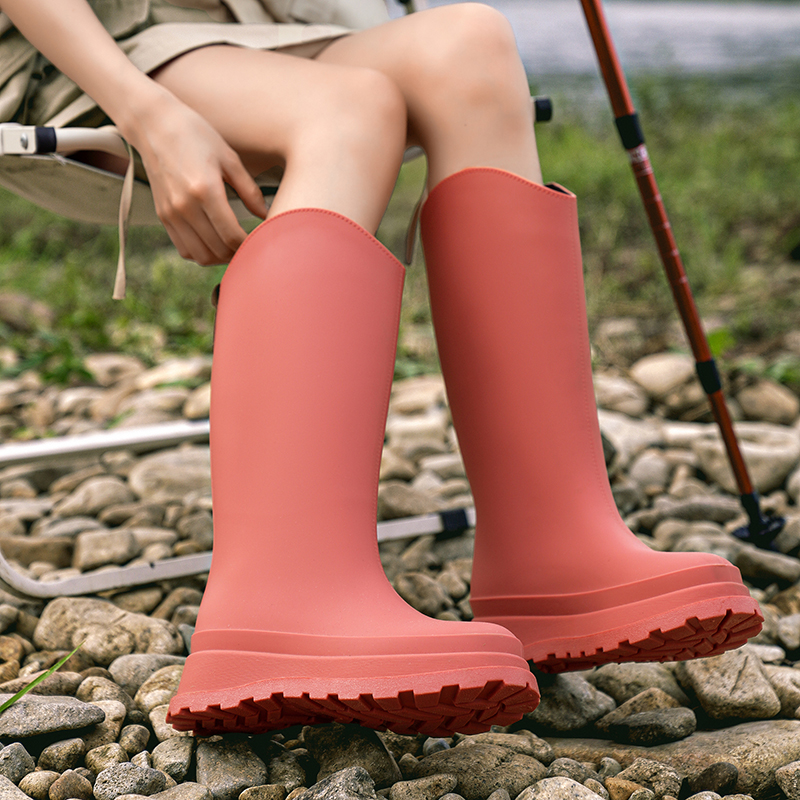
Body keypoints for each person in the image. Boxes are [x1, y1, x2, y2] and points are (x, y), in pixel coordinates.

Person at [0, 0, 763, 738]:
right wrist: (149, 115)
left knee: (472, 44)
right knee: (349, 110)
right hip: (82, 47)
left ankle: (553, 547)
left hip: (255, 25)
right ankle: (280, 599)